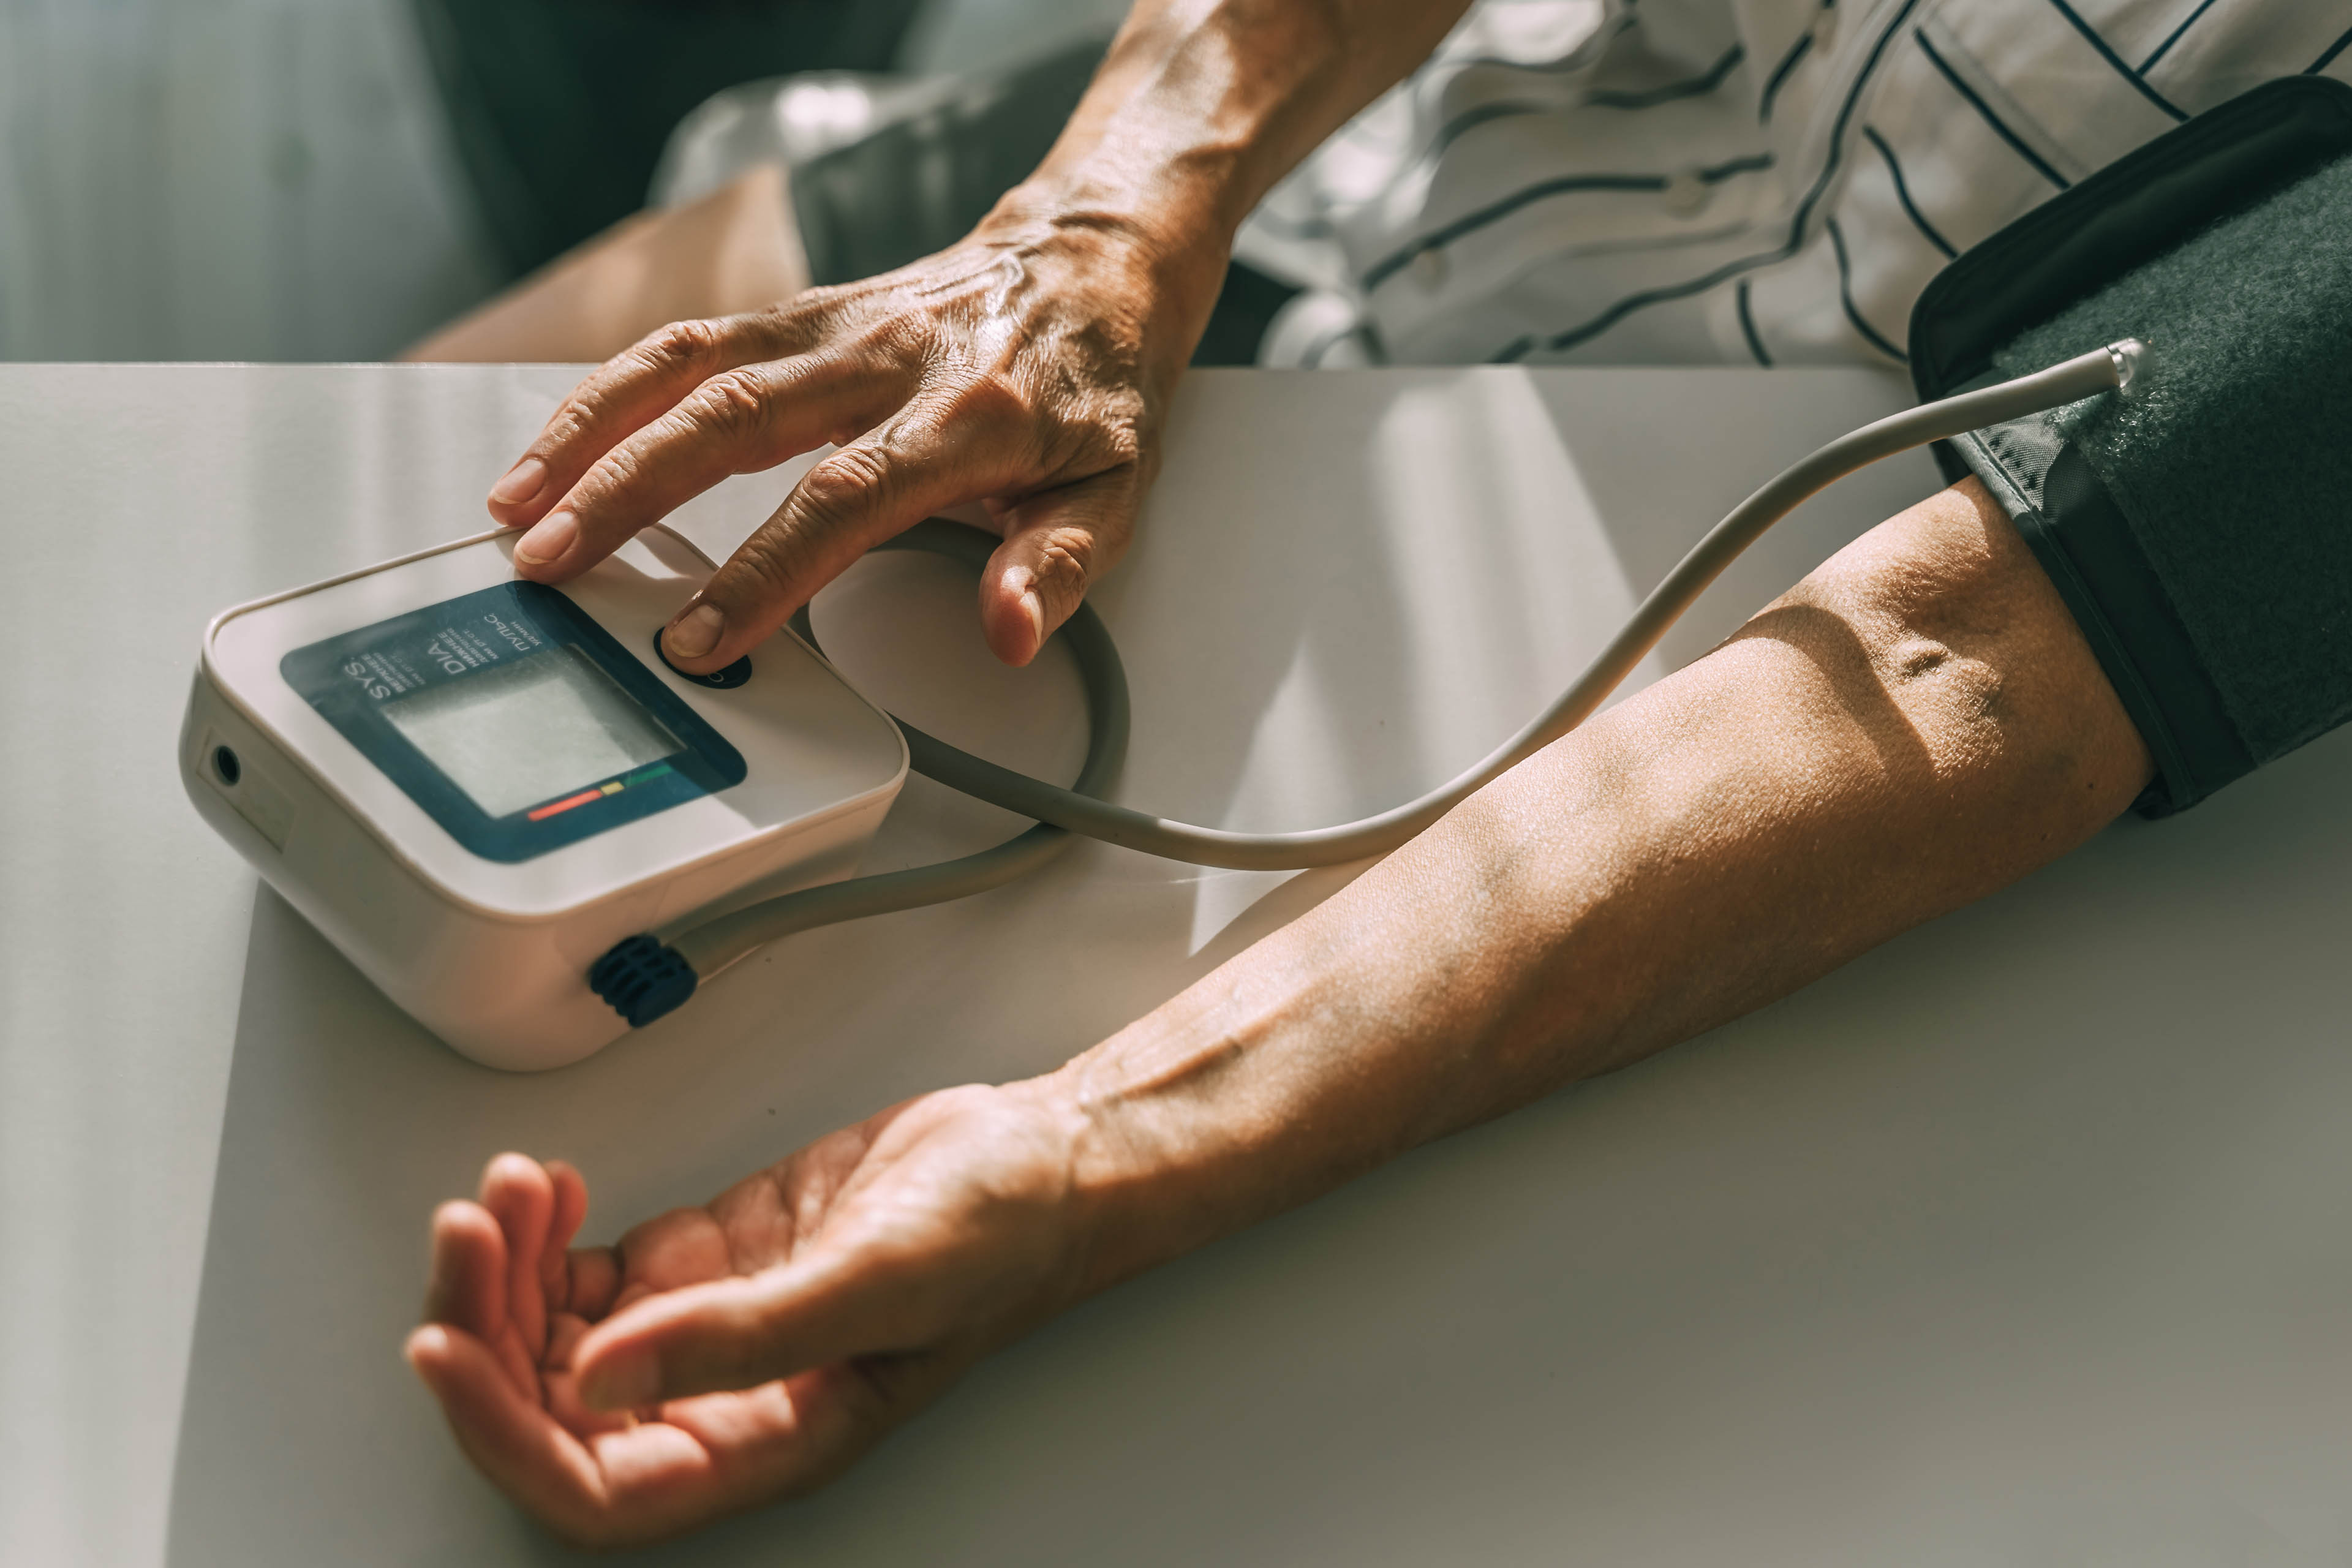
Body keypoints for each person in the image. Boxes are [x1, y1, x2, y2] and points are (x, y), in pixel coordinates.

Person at [399, 0, 2349, 1547]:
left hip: (1724, 600)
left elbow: (1962, 658)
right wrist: (1113, 203)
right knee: (422, 437)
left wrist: (1089, 1150)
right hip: (1301, 155)